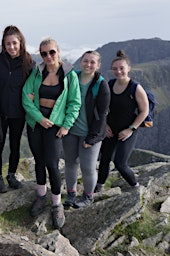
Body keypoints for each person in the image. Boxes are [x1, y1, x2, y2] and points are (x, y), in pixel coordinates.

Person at [22, 37, 81, 229]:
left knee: (52, 164)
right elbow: (26, 97)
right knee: (39, 160)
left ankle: (56, 204)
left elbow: (74, 103)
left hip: (55, 126)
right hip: (36, 123)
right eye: (44, 53)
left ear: (58, 51)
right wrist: (39, 118)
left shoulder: (69, 75)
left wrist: (66, 125)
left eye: (51, 52)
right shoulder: (37, 73)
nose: (48, 56)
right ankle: (41, 196)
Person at [0, 25, 35, 193]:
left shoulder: (28, 62)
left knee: (15, 144)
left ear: (20, 43)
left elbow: (34, 84)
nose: (11, 47)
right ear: (4, 45)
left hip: (18, 112)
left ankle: (11, 175)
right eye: (8, 44)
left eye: (14, 43)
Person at [62, 50, 110, 209]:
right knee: (69, 163)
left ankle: (88, 196)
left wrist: (92, 138)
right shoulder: (71, 77)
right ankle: (71, 194)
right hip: (70, 130)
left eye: (92, 62)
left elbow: (102, 114)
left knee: (88, 167)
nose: (88, 65)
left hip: (91, 134)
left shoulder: (100, 84)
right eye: (85, 61)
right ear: (80, 61)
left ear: (98, 65)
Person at [96, 50, 149, 192]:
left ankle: (136, 188)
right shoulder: (110, 84)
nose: (118, 71)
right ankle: (99, 187)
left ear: (128, 69)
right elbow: (104, 107)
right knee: (104, 159)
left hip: (127, 130)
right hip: (111, 129)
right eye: (115, 69)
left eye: (121, 68)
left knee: (120, 163)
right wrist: (105, 124)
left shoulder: (135, 88)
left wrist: (130, 129)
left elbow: (145, 111)